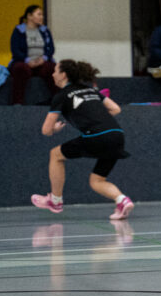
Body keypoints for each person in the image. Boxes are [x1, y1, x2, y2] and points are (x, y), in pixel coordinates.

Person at [31, 59, 135, 220]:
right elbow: (116, 109)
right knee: (97, 180)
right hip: (117, 135)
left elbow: (46, 130)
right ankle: (122, 200)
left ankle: (55, 200)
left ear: (63, 75)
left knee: (56, 155)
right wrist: (97, 118)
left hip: (96, 136)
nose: (52, 74)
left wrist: (55, 129)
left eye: (55, 71)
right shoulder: (90, 90)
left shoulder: (61, 96)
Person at [9, 5, 56, 105]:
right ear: (29, 16)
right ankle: (18, 102)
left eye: (42, 15)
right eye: (39, 14)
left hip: (41, 62)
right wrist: (27, 60)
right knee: (20, 69)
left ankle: (56, 100)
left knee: (53, 69)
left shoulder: (45, 31)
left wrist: (43, 59)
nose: (41, 17)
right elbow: (15, 50)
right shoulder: (18, 30)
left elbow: (51, 49)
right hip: (24, 61)